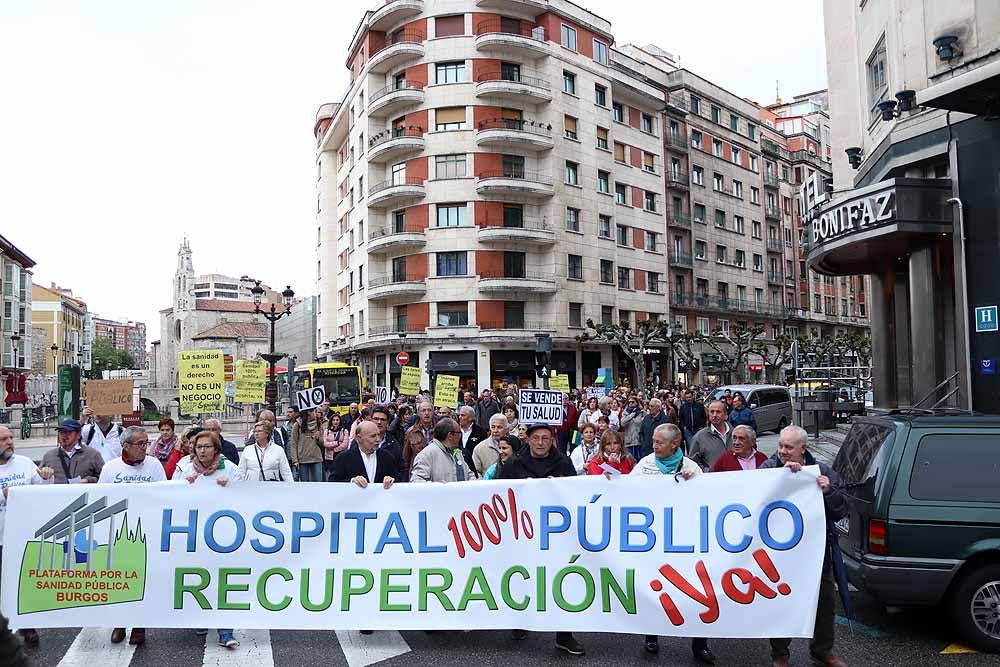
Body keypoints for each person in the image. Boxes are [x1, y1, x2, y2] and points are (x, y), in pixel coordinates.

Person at [762, 426, 848, 667]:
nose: (782, 451)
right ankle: (780, 654)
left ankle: (822, 650)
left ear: (803, 449)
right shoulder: (769, 469)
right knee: (781, 602)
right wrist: (783, 477)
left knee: (825, 603)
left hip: (817, 554)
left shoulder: (821, 471)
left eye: (788, 447)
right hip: (780, 555)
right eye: (780, 445)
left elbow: (842, 508)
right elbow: (755, 497)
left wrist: (828, 490)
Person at [499, 423, 584, 656]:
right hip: (523, 532)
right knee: (522, 576)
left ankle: (564, 635)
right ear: (528, 440)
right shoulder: (515, 463)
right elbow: (497, 492)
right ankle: (519, 621)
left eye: (545, 438)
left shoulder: (563, 463)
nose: (540, 443)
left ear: (552, 441)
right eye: (535, 438)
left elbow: (576, 493)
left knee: (560, 580)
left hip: (556, 534)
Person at [630, 423, 708, 662]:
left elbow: (708, 498)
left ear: (675, 444)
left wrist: (693, 482)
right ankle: (651, 637)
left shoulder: (692, 468)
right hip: (653, 540)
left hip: (685, 540)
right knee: (654, 588)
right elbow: (626, 491)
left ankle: (700, 644)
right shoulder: (644, 465)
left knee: (695, 590)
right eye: (653, 441)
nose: (653, 446)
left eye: (659, 442)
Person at [98, 426, 165, 647]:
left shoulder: (154, 465)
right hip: (117, 532)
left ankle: (139, 625)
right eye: (140, 444)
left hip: (146, 531)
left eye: (147, 443)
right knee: (119, 579)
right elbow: (101, 499)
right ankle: (119, 623)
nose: (145, 448)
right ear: (125, 446)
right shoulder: (110, 469)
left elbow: (165, 495)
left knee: (143, 579)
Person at [175, 429, 240, 649]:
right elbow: (169, 495)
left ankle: (225, 631)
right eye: (198, 446)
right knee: (199, 578)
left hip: (224, 536)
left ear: (216, 450)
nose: (202, 451)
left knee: (223, 581)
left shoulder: (230, 469)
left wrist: (231, 488)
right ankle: (201, 617)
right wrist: (184, 486)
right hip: (194, 534)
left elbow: (248, 497)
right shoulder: (184, 468)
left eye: (207, 447)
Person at [0, 425, 55, 648]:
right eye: (4, 439)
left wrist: (46, 477)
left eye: (11, 437)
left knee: (22, 583)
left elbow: (41, 490)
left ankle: (28, 627)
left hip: (21, 536)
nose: (10, 442)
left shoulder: (24, 463)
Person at [330, 420, 398, 488]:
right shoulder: (343, 458)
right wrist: (351, 482)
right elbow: (332, 483)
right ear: (359, 438)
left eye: (378, 435)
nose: (378, 439)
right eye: (373, 436)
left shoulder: (386, 457)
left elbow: (399, 479)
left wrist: (391, 480)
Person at [409, 419, 477, 483]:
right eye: (459, 433)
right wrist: (439, 489)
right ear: (450, 435)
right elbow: (416, 481)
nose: (460, 436)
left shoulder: (457, 453)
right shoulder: (426, 455)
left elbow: (469, 475)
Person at [41, 418, 104, 484]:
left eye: (68, 432)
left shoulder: (93, 454)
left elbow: (104, 477)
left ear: (78, 435)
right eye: (61, 432)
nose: (64, 435)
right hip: (58, 493)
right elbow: (38, 479)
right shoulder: (49, 455)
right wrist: (44, 475)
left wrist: (88, 480)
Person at [689, 400, 733, 472]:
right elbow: (692, 463)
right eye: (712, 412)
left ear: (726, 415)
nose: (714, 415)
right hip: (713, 480)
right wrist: (708, 471)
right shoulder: (699, 437)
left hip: (736, 478)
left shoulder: (736, 434)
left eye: (718, 412)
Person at [401, 400, 435, 480]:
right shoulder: (410, 432)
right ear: (419, 413)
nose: (426, 413)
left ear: (433, 412)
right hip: (418, 474)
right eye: (423, 410)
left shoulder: (440, 430)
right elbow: (406, 459)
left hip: (436, 474)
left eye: (429, 410)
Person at [290, 408, 325, 482]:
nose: (317, 414)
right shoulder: (297, 425)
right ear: (309, 412)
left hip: (316, 458)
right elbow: (293, 443)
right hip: (302, 459)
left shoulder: (318, 424)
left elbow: (323, 443)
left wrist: (318, 438)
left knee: (318, 484)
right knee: (305, 485)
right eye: (315, 411)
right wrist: (295, 461)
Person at [472, 413, 508, 478]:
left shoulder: (514, 445)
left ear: (506, 430)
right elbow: (475, 473)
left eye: (499, 427)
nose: (495, 430)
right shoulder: (480, 448)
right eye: (493, 427)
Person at [369, 405, 403, 470]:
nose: (379, 422)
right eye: (376, 419)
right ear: (371, 420)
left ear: (387, 422)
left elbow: (400, 469)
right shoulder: (360, 441)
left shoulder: (394, 444)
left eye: (383, 419)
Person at [457, 405, 487, 472]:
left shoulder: (481, 432)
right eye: (459, 415)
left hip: (474, 468)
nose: (460, 417)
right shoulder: (454, 430)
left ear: (470, 418)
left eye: (463, 415)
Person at [322, 411, 350, 479]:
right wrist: (337, 443)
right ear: (331, 421)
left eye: (337, 420)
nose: (335, 422)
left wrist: (335, 449)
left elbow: (345, 444)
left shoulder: (344, 431)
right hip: (329, 458)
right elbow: (325, 443)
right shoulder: (327, 431)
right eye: (334, 420)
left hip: (340, 457)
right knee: (331, 475)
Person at [619, 396, 644, 460]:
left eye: (632, 402)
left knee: (640, 459)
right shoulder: (625, 412)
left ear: (637, 402)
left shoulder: (642, 413)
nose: (630, 403)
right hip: (629, 441)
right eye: (629, 402)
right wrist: (630, 416)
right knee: (630, 460)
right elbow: (622, 423)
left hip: (639, 440)